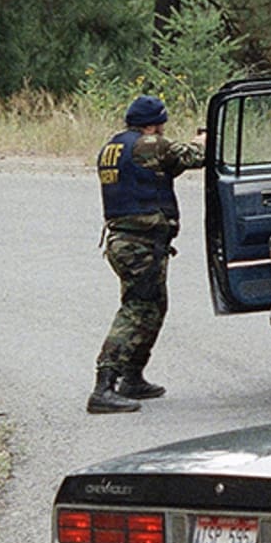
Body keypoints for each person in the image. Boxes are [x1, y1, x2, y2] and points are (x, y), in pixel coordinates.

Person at [89, 95, 207, 414]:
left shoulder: (115, 147)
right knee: (138, 308)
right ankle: (104, 385)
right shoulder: (149, 144)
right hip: (138, 243)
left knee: (154, 306)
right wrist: (204, 138)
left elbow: (160, 171)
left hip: (128, 241)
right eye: (162, 124)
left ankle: (132, 376)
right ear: (154, 124)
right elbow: (195, 155)